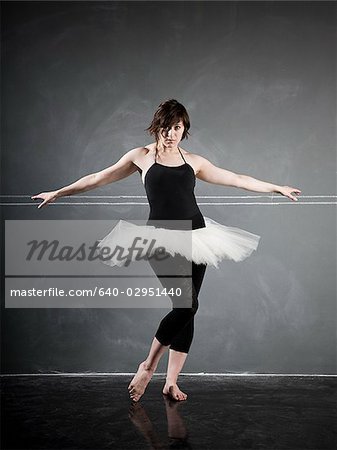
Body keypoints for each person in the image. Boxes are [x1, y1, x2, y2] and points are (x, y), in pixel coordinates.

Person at [31, 99, 301, 402]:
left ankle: (171, 382)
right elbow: (97, 178)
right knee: (186, 305)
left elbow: (237, 179)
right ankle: (148, 366)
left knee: (189, 309)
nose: (171, 133)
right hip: (160, 240)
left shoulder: (193, 161)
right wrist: (59, 192)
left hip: (198, 237)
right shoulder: (141, 157)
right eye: (166, 127)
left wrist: (276, 187)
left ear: (183, 129)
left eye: (177, 127)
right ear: (156, 126)